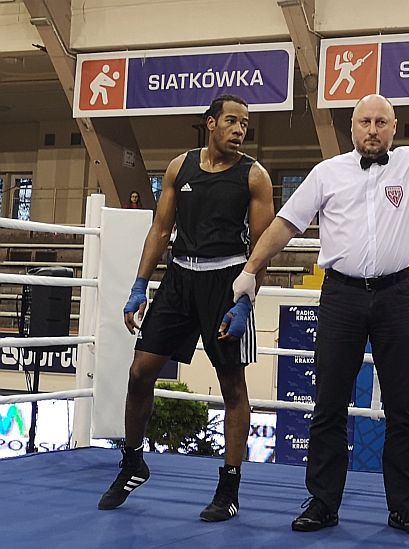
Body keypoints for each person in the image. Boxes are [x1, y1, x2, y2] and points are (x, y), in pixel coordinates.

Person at [228, 56, 409, 536]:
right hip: (341, 297)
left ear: (394, 128)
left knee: (404, 407)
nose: (373, 129)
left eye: (381, 122)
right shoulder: (328, 172)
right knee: (328, 403)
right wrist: (249, 271)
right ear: (352, 127)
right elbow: (285, 224)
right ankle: (322, 503)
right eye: (365, 121)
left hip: (396, 294)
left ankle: (405, 507)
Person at [97, 95, 275, 522]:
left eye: (245, 124)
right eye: (232, 121)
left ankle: (229, 489)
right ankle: (134, 462)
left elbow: (263, 248)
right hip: (178, 278)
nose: (239, 129)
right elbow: (160, 229)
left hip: (226, 282)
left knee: (232, 387)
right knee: (140, 372)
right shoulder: (181, 167)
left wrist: (247, 301)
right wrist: (140, 285)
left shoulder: (255, 176)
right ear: (210, 123)